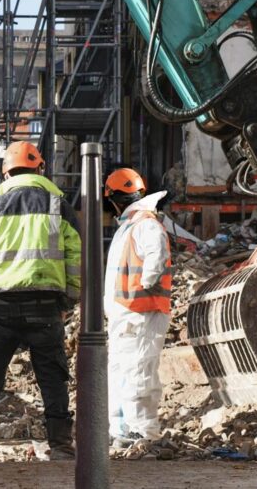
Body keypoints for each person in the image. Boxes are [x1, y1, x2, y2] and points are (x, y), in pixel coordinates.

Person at [0, 141, 82, 466]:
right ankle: (60, 446)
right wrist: (70, 297)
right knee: (52, 377)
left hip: (1, 307)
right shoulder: (58, 203)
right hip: (45, 306)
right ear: (40, 169)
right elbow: (74, 255)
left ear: (5, 174)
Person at [103, 168, 172, 446]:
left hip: (141, 313)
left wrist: (145, 282)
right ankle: (120, 430)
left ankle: (143, 432)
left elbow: (156, 253)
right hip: (128, 312)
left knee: (139, 371)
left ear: (114, 198)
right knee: (121, 371)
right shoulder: (131, 225)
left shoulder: (145, 223)